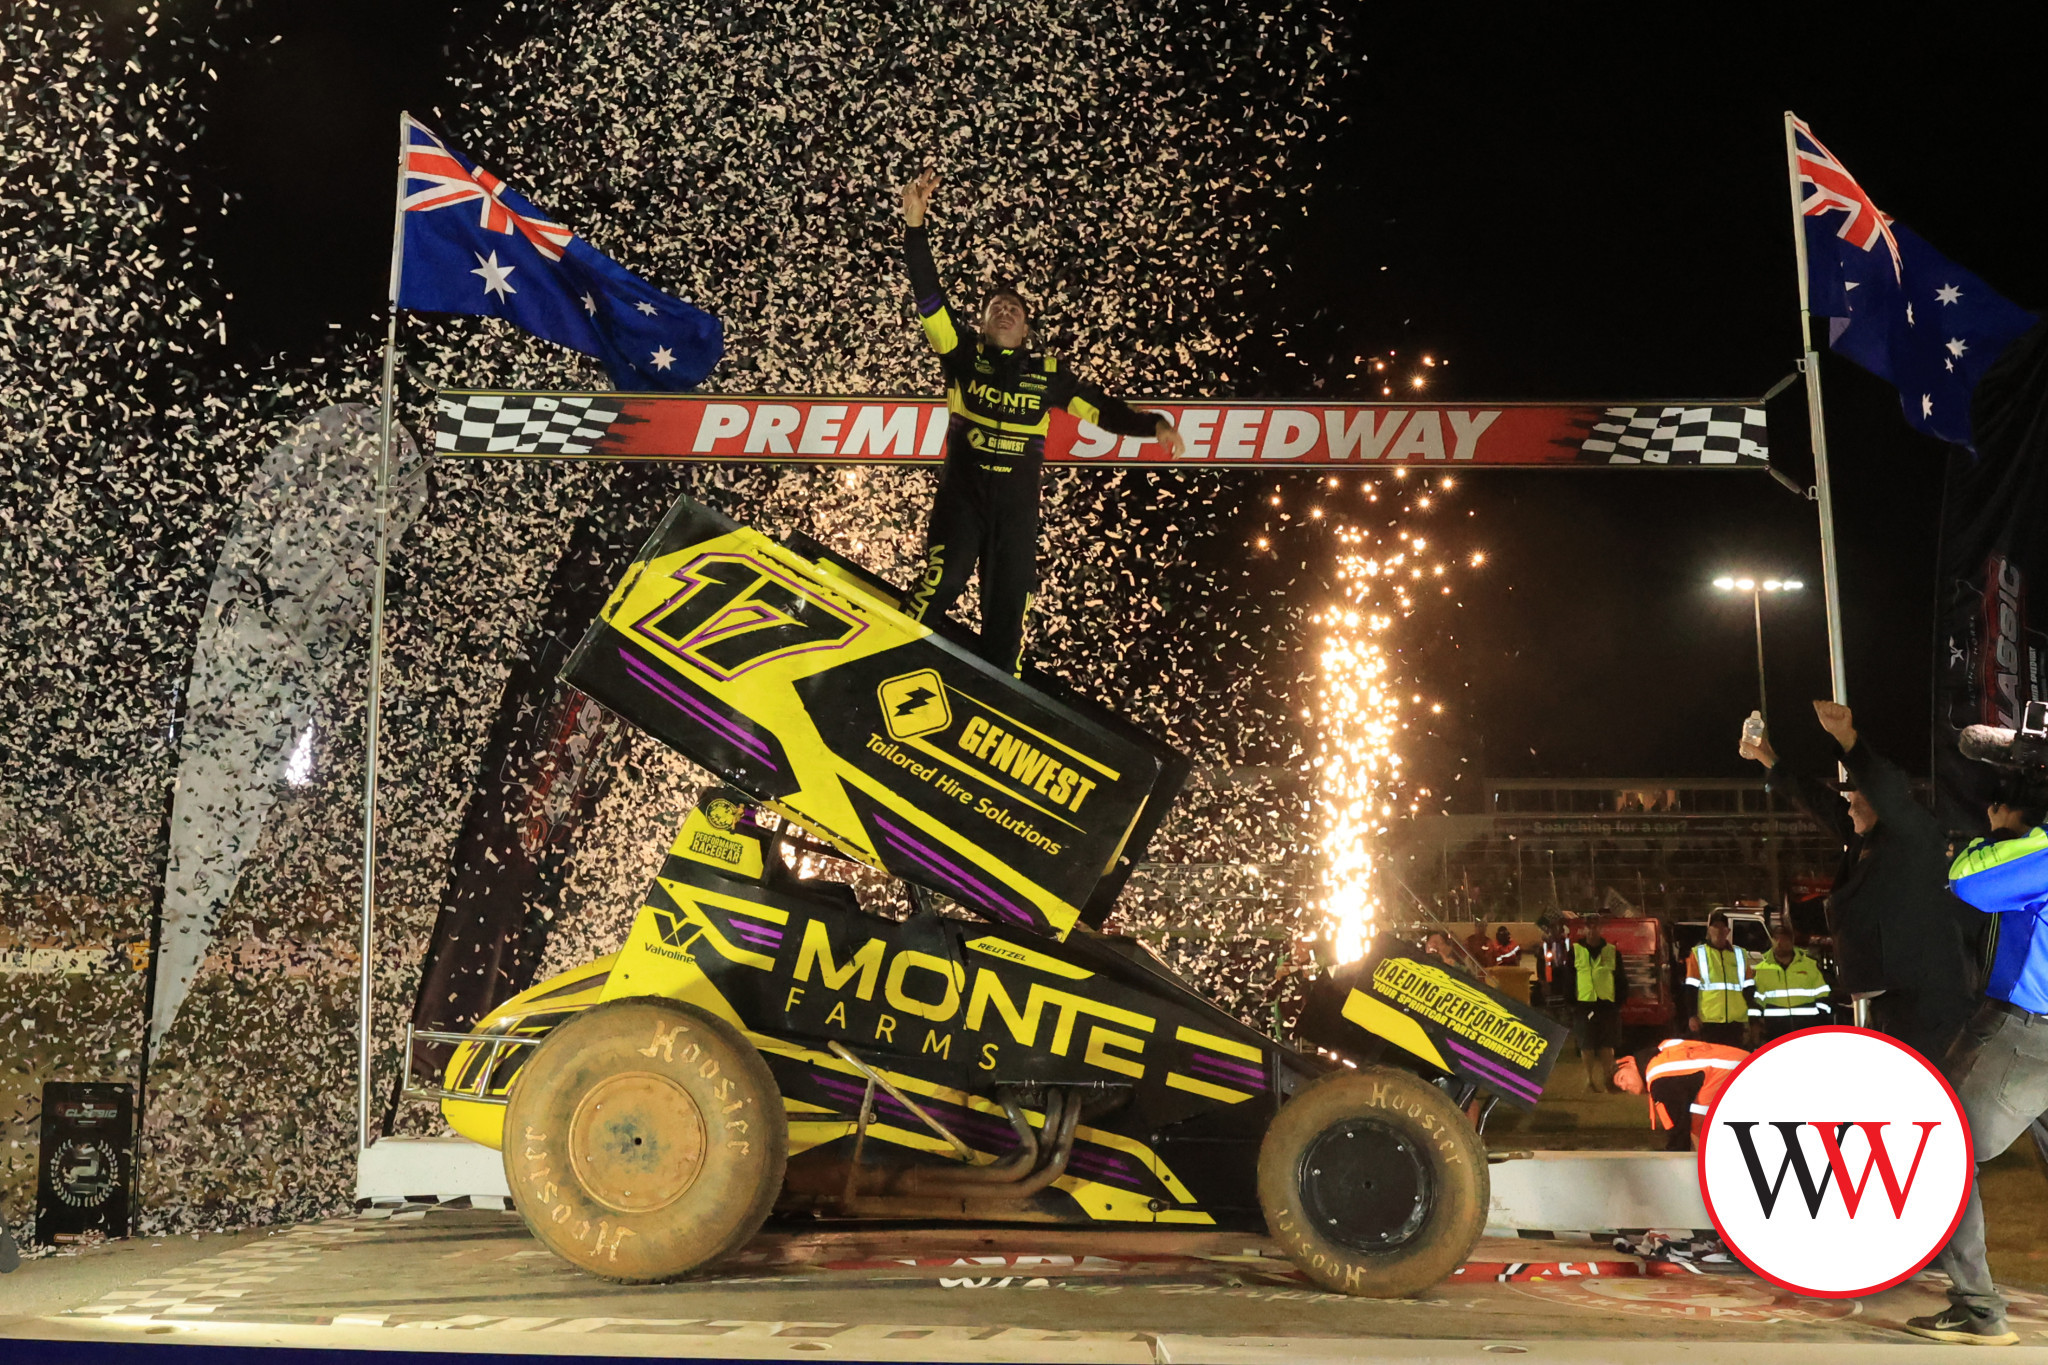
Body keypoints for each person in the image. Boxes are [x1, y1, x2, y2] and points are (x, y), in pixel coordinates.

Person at [898, 172, 1184, 674]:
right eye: (996, 308)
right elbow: (929, 297)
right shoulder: (960, 352)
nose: (1005, 311)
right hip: (962, 500)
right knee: (945, 578)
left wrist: (1154, 424)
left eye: (1015, 309)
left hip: (1016, 514)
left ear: (1026, 329)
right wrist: (916, 226)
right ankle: (887, 647)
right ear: (983, 323)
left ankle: (1001, 699)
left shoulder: (1048, 374)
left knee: (1009, 613)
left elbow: (1104, 411)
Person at [1740, 700, 1975, 1066]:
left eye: (1855, 798)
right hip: (1894, 995)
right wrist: (1769, 757)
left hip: (1929, 1000)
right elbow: (1817, 801)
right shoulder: (1865, 839)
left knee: (1926, 1092)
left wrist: (1848, 739)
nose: (1847, 807)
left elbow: (1888, 791)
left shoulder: (1913, 836)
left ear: (1881, 803)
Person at [1907, 770, 2048, 1347]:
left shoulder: (2035, 850)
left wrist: (2003, 831)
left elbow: (1969, 883)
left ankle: (1977, 1309)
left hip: (2027, 1029)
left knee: (1944, 1148)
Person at [1612, 1038, 1747, 1152]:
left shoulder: (1659, 1078)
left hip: (1739, 1075)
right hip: (1744, 1065)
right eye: (1621, 1088)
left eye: (1621, 1078)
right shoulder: (1664, 1055)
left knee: (1698, 1123)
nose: (1625, 1086)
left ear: (1630, 1062)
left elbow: (1678, 1135)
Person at [1751, 916, 1829, 1043]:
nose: (1781, 943)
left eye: (1785, 939)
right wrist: (1756, 1025)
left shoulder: (1809, 965)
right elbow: (1757, 1001)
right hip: (1776, 1032)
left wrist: (1820, 1021)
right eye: (1777, 939)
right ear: (1772, 941)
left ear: (1792, 941)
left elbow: (1823, 995)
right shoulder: (1762, 969)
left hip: (1806, 1031)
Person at [1684, 910, 1753, 1046]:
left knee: (1735, 1062)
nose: (1719, 930)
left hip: (1736, 1021)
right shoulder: (1698, 953)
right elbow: (1691, 988)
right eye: (1715, 927)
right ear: (1709, 930)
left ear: (1728, 931)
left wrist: (1753, 1019)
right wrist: (1692, 1015)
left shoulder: (1740, 954)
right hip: (1709, 1021)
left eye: (1723, 927)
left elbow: (1749, 988)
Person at [1572, 924, 1622, 1092]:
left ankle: (1608, 1080)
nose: (1592, 931)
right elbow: (1568, 977)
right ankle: (1589, 1080)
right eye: (1589, 928)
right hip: (1584, 1004)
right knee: (1586, 1045)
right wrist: (1571, 1003)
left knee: (1607, 1044)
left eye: (1595, 928)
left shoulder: (1612, 951)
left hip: (1606, 1005)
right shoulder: (1575, 951)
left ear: (1601, 930)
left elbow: (1621, 978)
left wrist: (1618, 1003)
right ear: (1584, 930)